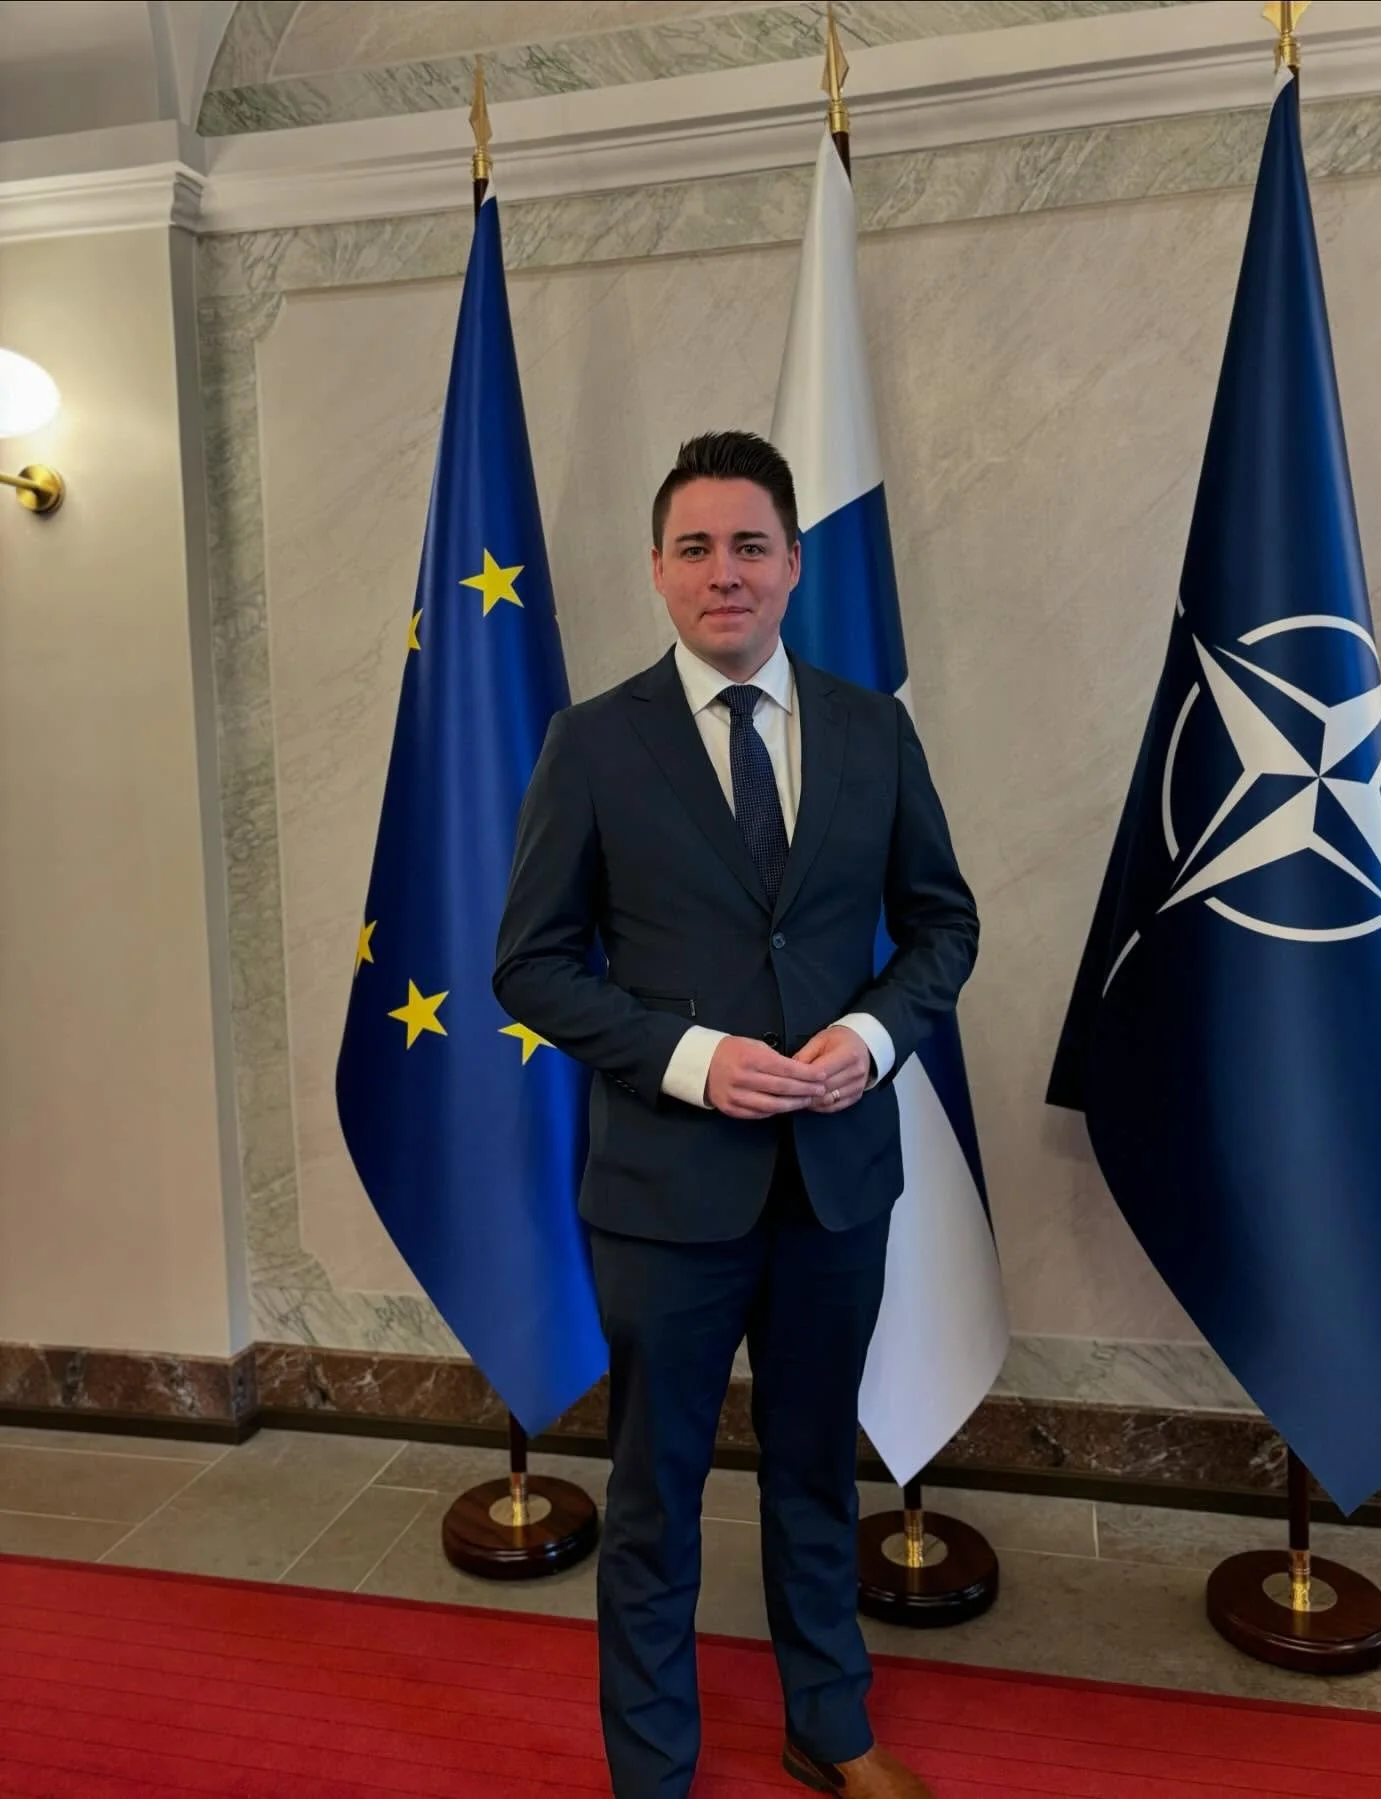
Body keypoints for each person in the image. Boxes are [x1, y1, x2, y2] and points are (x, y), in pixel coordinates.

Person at [494, 431, 978, 1799]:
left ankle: (830, 1725)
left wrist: (872, 1037)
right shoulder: (594, 742)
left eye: (750, 545)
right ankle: (653, 1771)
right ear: (657, 570)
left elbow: (942, 926)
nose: (725, 572)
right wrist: (691, 1057)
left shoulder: (874, 729)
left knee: (814, 1472)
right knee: (656, 1495)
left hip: (836, 1185)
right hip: (665, 1192)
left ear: (793, 564)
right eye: (696, 547)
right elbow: (530, 963)